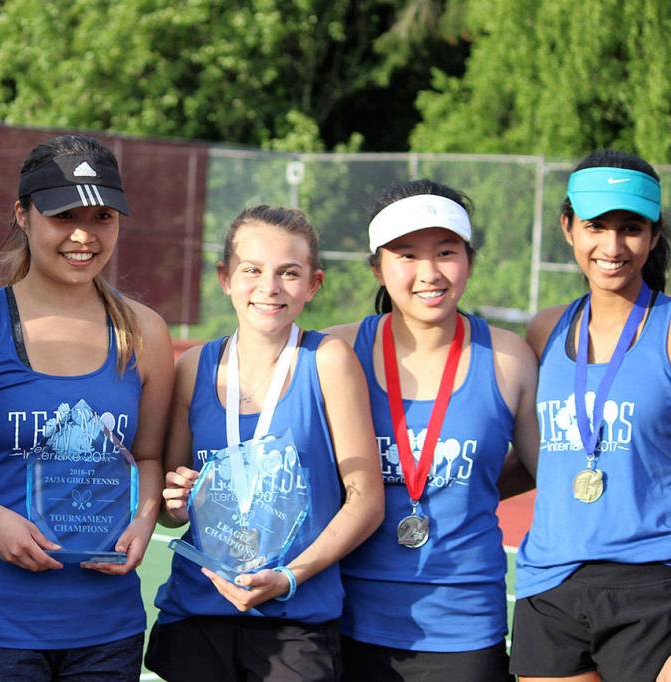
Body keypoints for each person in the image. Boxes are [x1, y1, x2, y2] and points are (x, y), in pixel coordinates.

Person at [0, 134, 174, 680]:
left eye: (102, 217)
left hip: (106, 627)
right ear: (23, 215)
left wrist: (144, 518)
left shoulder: (144, 333)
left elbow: (148, 457)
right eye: (63, 216)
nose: (84, 235)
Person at [146, 205, 385, 682]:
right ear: (225, 278)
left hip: (295, 619)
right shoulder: (193, 368)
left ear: (313, 284)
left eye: (288, 273)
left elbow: (366, 500)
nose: (269, 287)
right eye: (251, 270)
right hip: (198, 616)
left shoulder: (328, 361)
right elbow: (173, 510)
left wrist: (291, 576)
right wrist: (178, 500)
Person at [324, 180, 539, 681]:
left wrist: (471, 486)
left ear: (469, 260)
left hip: (463, 626)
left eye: (446, 252)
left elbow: (547, 467)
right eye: (407, 255)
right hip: (346, 617)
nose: (430, 273)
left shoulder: (508, 358)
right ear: (377, 267)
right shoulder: (336, 353)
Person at [511, 150, 671, 682]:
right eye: (596, 227)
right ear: (568, 227)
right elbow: (546, 456)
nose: (613, 246)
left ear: (654, 235)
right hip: (550, 586)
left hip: (651, 584)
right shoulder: (545, 330)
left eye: (631, 228)